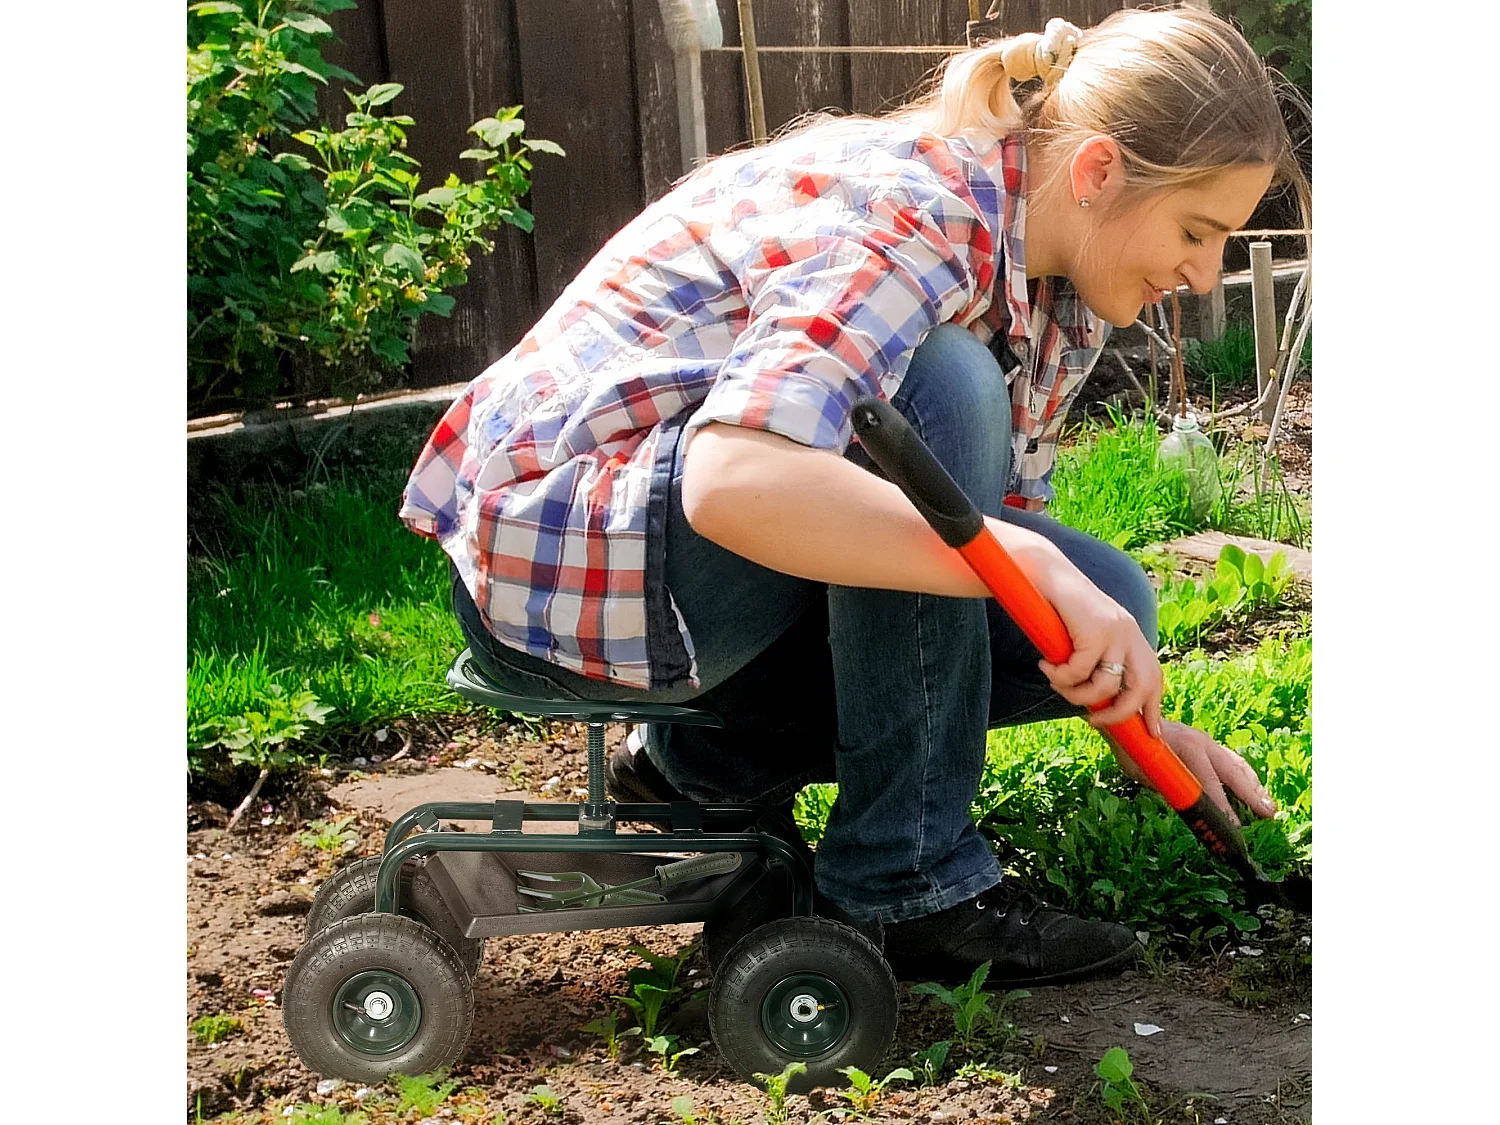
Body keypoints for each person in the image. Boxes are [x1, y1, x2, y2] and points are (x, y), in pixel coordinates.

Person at [399, 7, 1310, 985]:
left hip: (682, 574)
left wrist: (1145, 724)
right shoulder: (915, 212)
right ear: (1096, 174)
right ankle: (906, 884)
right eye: (1197, 231)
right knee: (942, 386)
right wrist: (1029, 561)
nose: (1205, 273)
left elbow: (990, 537)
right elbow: (732, 480)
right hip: (574, 555)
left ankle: (699, 771)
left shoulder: (1058, 292)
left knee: (1105, 603)